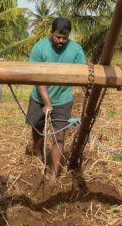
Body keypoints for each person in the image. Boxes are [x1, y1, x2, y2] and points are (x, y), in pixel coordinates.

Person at [27, 17, 86, 181]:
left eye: (64, 38)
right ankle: (38, 151)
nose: (61, 41)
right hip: (39, 96)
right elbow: (37, 77)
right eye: (57, 37)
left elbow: (82, 73)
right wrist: (46, 102)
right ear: (51, 33)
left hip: (63, 99)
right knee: (37, 129)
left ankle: (54, 174)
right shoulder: (39, 47)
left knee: (59, 136)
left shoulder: (76, 50)